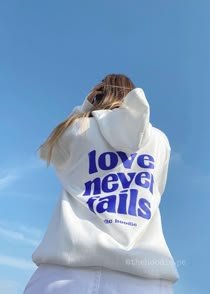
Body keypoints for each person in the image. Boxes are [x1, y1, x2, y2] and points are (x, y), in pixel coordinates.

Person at [23, 74, 180, 294]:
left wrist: (84, 107)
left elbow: (47, 152)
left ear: (100, 93)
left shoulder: (78, 128)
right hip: (146, 278)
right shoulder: (160, 140)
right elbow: (157, 190)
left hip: (65, 274)